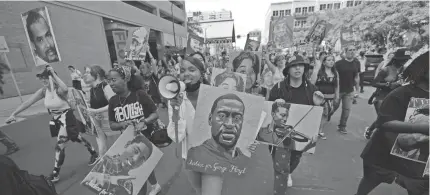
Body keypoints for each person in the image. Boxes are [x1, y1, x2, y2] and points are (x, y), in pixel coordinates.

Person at [168, 57, 257, 195]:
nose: (186, 74)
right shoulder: (175, 99)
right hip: (189, 156)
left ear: (202, 73)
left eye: (192, 69)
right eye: (183, 70)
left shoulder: (216, 95)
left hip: (214, 156)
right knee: (199, 190)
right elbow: (176, 136)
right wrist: (175, 111)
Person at [5, 65, 99, 182]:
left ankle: (55, 173)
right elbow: (28, 102)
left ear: (51, 77)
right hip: (57, 119)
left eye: (45, 78)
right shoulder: (44, 91)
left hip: (67, 117)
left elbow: (65, 89)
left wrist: (53, 74)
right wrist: (13, 114)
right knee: (75, 137)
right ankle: (93, 152)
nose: (43, 80)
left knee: (60, 144)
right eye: (41, 78)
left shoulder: (59, 89)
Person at [356, 50, 429, 195]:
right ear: (423, 69)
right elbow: (384, 122)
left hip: (418, 159)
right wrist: (422, 128)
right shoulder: (401, 92)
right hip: (385, 151)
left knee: (419, 188)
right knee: (368, 183)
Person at [268, 55, 322, 192]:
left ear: (305, 68)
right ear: (288, 69)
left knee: (294, 160)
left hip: (300, 135)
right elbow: (268, 112)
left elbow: (315, 117)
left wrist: (317, 105)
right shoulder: (278, 88)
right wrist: (274, 105)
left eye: (301, 65)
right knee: (280, 169)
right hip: (279, 136)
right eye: (294, 65)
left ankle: (288, 171)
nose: (298, 68)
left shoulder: (312, 90)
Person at [107, 65, 161, 195]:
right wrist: (122, 124)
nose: (110, 84)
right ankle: (155, 185)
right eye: (109, 81)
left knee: (139, 173)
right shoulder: (113, 101)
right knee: (144, 167)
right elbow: (112, 124)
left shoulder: (139, 95)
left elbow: (155, 114)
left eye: (114, 80)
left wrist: (144, 121)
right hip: (127, 142)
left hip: (145, 140)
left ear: (125, 79)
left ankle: (150, 187)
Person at [82, 135, 153, 195]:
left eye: (141, 159)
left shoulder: (129, 185)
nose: (135, 159)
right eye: (135, 151)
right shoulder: (105, 162)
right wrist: (109, 179)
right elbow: (88, 181)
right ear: (127, 145)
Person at [364, 48, 411, 139]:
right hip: (381, 97)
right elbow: (374, 83)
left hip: (396, 98)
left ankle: (371, 130)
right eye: (403, 59)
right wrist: (389, 84)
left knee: (388, 119)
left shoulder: (406, 71)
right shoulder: (386, 69)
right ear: (397, 58)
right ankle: (378, 138)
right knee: (384, 119)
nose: (405, 61)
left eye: (407, 59)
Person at [188, 93, 248, 164]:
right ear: (210, 119)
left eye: (237, 118)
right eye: (222, 116)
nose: (229, 124)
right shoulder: (194, 156)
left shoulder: (245, 163)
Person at [82, 65, 116, 156]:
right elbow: (93, 107)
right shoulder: (92, 89)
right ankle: (102, 165)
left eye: (88, 73)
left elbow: (113, 104)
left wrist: (96, 111)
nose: (85, 75)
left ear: (96, 75)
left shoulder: (105, 86)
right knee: (102, 149)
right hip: (98, 122)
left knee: (116, 146)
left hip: (110, 122)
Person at [333, 45, 360, 134]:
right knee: (334, 107)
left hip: (349, 91)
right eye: (350, 50)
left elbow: (356, 77)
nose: (352, 51)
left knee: (347, 109)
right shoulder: (339, 63)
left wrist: (357, 90)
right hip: (338, 90)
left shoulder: (356, 63)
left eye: (353, 50)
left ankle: (342, 126)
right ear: (346, 51)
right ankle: (326, 117)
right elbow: (333, 75)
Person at [311, 55, 340, 140]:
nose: (331, 62)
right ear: (324, 62)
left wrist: (337, 96)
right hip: (319, 98)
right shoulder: (318, 72)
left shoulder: (335, 73)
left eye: (332, 60)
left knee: (325, 115)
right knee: (317, 114)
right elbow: (312, 85)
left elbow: (337, 86)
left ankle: (319, 131)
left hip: (330, 98)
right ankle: (314, 130)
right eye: (329, 60)